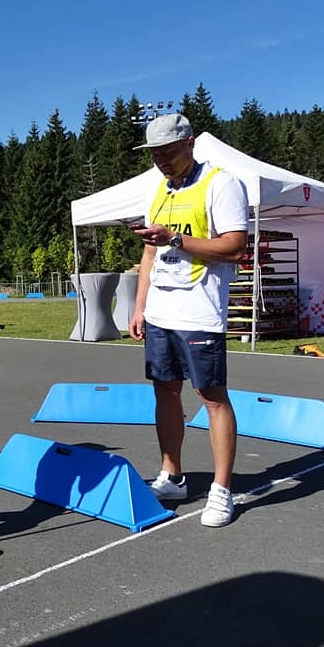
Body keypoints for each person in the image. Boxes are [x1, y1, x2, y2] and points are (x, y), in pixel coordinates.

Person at [127, 113, 249, 528]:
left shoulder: (221, 183)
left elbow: (234, 247)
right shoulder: (158, 191)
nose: (160, 159)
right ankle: (172, 476)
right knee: (165, 392)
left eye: (167, 151)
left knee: (212, 398)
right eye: (154, 153)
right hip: (160, 312)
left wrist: (176, 239)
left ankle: (221, 490)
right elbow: (149, 253)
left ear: (190, 143)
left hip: (200, 312)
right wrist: (140, 306)